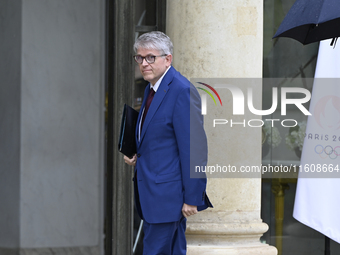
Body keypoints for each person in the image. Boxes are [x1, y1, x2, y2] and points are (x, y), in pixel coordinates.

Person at [124, 31, 212, 255]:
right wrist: (138, 156)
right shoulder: (151, 88)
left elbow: (195, 148)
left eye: (150, 57)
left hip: (167, 197)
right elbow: (161, 139)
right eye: (140, 58)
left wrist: (193, 197)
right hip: (156, 194)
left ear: (168, 59)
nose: (144, 63)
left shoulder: (181, 91)